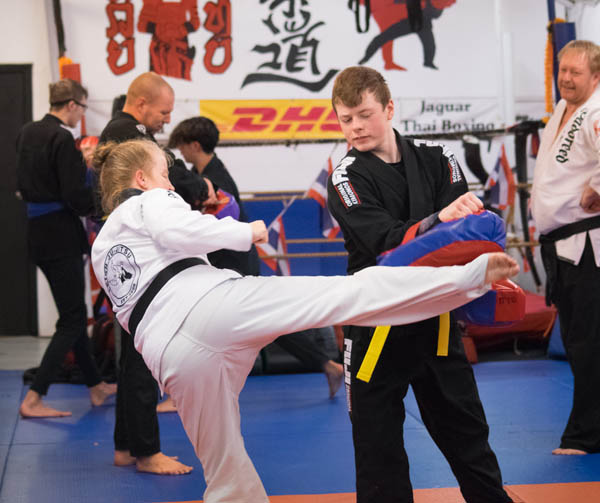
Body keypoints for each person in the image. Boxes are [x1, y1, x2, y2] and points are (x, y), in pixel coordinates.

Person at [91, 137, 518, 503]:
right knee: (345, 295)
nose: (170, 185)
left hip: (169, 356)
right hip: (209, 307)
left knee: (226, 475)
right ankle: (470, 277)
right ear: (143, 180)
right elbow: (177, 229)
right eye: (165, 175)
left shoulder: (101, 247)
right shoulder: (151, 200)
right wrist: (245, 231)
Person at [326, 66, 513, 503]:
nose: (354, 127)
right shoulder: (346, 177)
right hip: (377, 317)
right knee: (377, 445)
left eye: (364, 115)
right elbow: (384, 242)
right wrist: (438, 221)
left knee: (466, 427)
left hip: (436, 311)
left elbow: (466, 226)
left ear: (389, 109)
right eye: (345, 119)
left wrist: (454, 226)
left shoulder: (437, 156)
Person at [168, 116, 344, 397]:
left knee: (253, 323)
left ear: (195, 145)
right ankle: (327, 365)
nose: (182, 153)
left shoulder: (216, 179)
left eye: (182, 147)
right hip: (231, 259)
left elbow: (218, 225)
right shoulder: (205, 173)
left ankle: (194, 392)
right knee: (266, 323)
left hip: (233, 262)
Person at [99, 71, 208, 475]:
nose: (167, 118)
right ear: (141, 104)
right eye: (163, 111)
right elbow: (171, 179)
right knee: (145, 352)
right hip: (138, 253)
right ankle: (146, 451)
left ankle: (127, 446)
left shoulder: (122, 131)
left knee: (134, 354)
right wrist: (196, 186)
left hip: (129, 250)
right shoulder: (129, 136)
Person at [15, 79, 116, 418]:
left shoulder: (27, 132)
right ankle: (34, 398)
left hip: (37, 234)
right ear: (72, 104)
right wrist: (106, 206)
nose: (81, 115)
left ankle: (96, 386)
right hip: (60, 235)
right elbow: (74, 196)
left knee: (72, 314)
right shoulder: (62, 138)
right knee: (73, 319)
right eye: (83, 107)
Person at [531, 40, 600, 456]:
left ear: (596, 76)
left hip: (587, 246)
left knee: (588, 343)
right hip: (563, 245)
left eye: (576, 72)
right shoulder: (563, 109)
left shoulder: (595, 114)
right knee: (580, 340)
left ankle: (585, 435)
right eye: (562, 70)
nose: (566, 78)